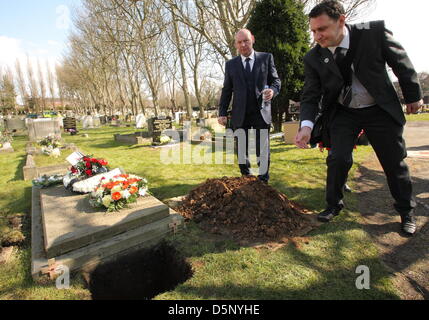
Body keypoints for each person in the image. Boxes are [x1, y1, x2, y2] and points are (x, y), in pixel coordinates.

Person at [295, 0, 422, 235]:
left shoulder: (373, 33)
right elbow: (310, 94)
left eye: (321, 29)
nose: (317, 36)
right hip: (344, 112)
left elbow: (401, 63)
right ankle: (333, 205)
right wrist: (305, 126)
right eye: (313, 31)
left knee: (394, 162)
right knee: (338, 159)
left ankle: (406, 211)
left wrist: (413, 95)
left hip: (379, 109)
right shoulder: (313, 57)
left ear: (341, 21)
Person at [218, 29, 281, 182]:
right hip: (240, 113)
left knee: (263, 149)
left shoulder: (266, 58)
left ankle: (263, 180)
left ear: (252, 39)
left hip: (261, 112)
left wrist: (272, 91)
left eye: (246, 40)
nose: (243, 44)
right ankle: (246, 177)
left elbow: (276, 81)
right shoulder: (231, 65)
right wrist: (222, 112)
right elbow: (227, 90)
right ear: (235, 45)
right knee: (241, 150)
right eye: (239, 42)